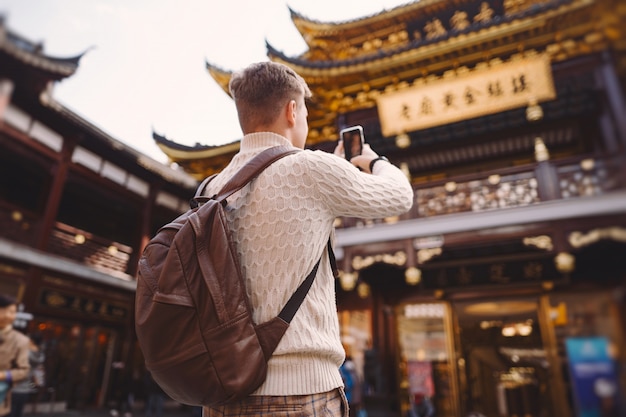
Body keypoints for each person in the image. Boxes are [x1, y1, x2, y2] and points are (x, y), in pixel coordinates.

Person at [200, 61, 413, 417]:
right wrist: (372, 161)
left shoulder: (210, 187)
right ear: (291, 110)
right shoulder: (311, 168)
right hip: (300, 393)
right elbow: (399, 196)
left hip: (221, 394)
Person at [0, 295, 30, 417]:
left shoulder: (20, 340)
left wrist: (3, 375)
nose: (11, 315)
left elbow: (24, 370)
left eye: (13, 312)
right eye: (8, 311)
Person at [10, 333, 45, 417]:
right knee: (18, 412)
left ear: (31, 341)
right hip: (25, 388)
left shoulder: (24, 353)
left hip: (14, 387)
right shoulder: (41, 355)